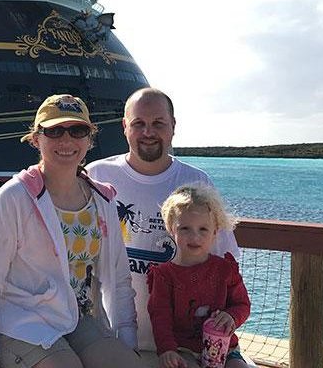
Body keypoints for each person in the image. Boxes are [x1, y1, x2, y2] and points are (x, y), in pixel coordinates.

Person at [0, 94, 145, 368]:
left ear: (89, 139)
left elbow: (119, 282)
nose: (66, 140)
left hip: (78, 318)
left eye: (77, 130)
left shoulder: (103, 201)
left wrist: (129, 344)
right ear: (36, 139)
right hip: (23, 321)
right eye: (54, 131)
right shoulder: (14, 197)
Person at [86, 87, 241, 353]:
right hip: (113, 338)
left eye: (158, 123)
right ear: (125, 126)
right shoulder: (96, 175)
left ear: (173, 126)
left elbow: (227, 262)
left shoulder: (197, 182)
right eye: (139, 123)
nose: (148, 132)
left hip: (183, 346)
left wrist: (225, 329)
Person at [148, 185, 250, 368]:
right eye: (185, 228)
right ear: (171, 229)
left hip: (225, 348)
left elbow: (242, 304)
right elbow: (160, 316)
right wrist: (167, 349)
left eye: (203, 229)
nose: (194, 237)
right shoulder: (164, 276)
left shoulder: (225, 269)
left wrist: (231, 316)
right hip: (183, 349)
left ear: (215, 232)